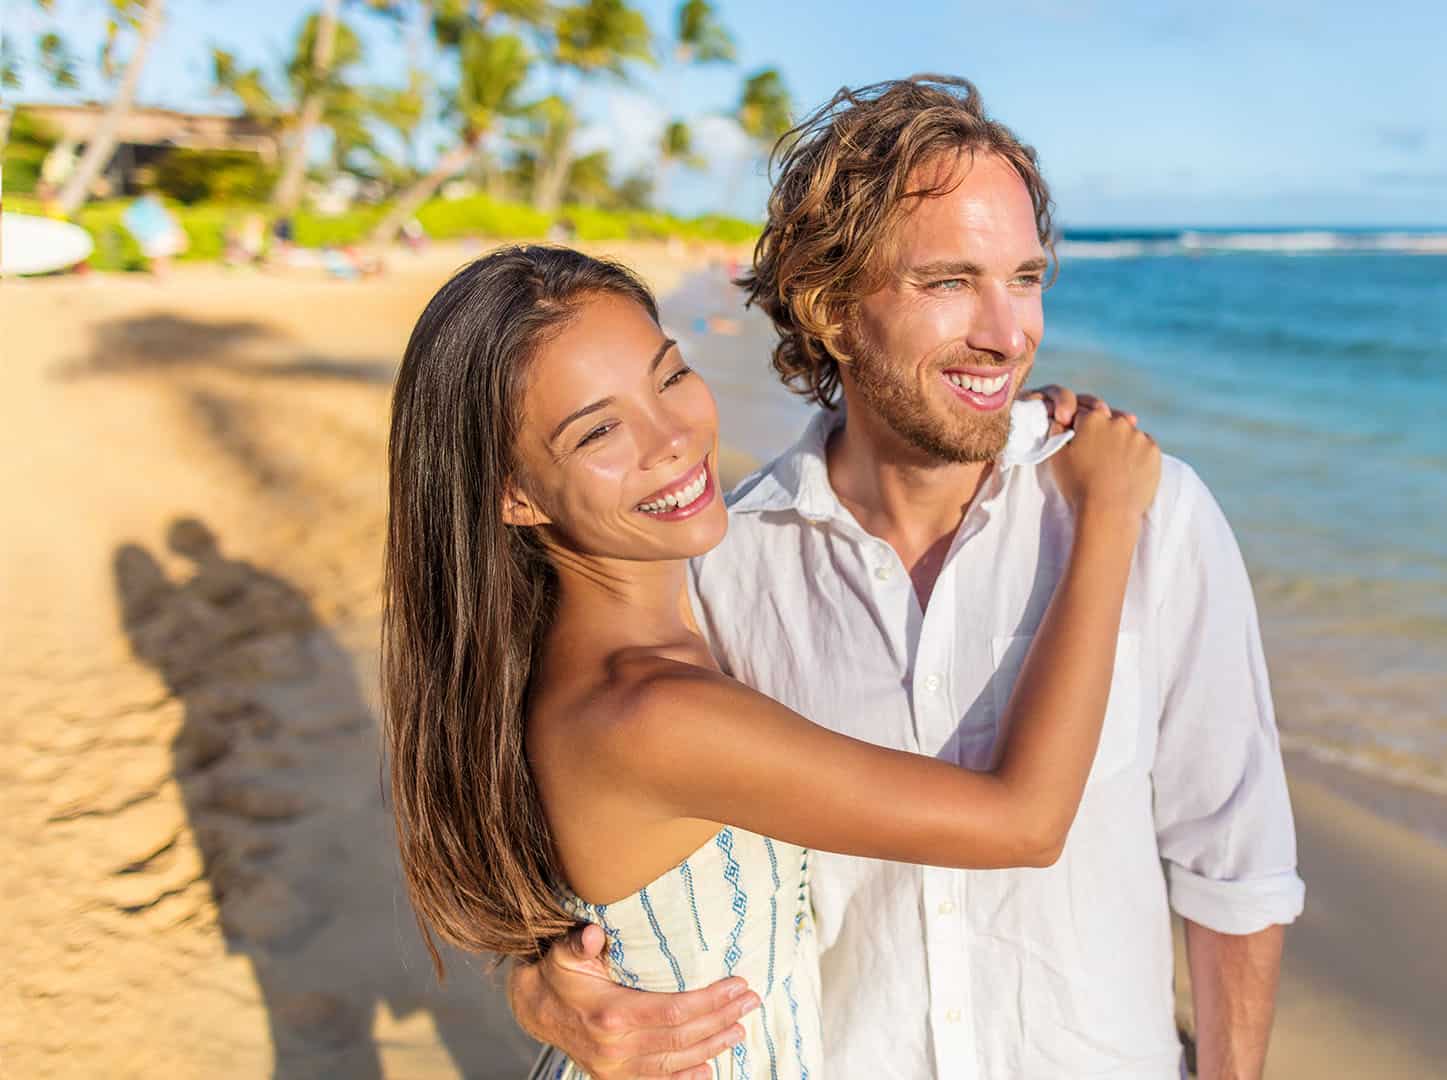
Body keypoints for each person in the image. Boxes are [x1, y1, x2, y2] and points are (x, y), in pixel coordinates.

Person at [509, 75, 1304, 1079]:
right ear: (831, 310)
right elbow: (610, 829)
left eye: (1025, 277)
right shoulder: (720, 564)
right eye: (949, 282)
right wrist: (540, 982)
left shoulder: (1156, 514)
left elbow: (1233, 859)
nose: (1008, 333)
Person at [383, 245, 1161, 1079]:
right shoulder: (653, 712)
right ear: (514, 494)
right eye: (600, 430)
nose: (672, 437)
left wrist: (535, 988)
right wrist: (1107, 515)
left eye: (670, 376)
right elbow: (1024, 823)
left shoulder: (589, 643)